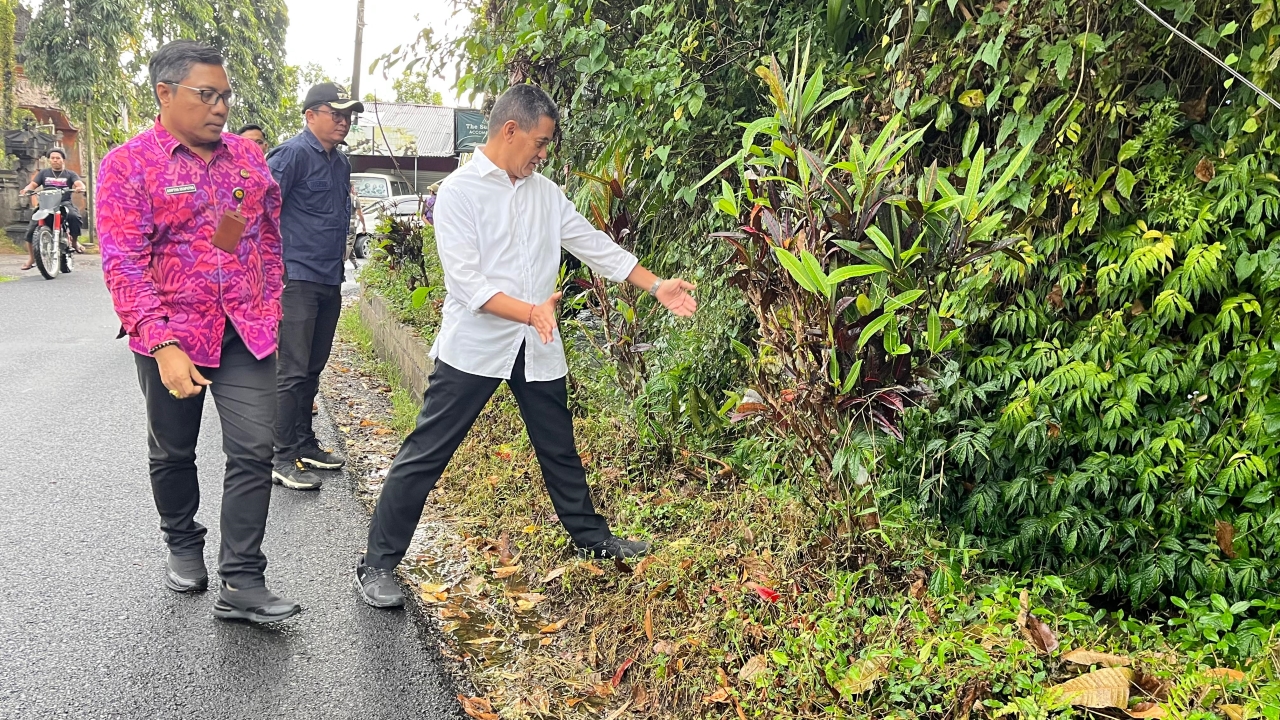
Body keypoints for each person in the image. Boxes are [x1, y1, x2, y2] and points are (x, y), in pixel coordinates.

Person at [355, 85, 698, 608]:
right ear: (509, 130)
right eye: (539, 142)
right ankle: (377, 562)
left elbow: (592, 243)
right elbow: (467, 285)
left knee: (558, 446)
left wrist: (655, 285)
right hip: (476, 346)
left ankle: (592, 539)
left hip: (535, 344)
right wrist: (531, 310)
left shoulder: (545, 193)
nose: (543, 154)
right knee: (428, 452)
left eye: (547, 147)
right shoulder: (459, 193)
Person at [97, 39, 299, 623]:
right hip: (172, 334)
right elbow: (123, 261)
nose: (220, 108)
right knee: (173, 447)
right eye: (205, 95)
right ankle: (182, 540)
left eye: (225, 96)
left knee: (255, 448)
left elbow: (260, 234)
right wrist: (160, 343)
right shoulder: (129, 164)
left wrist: (271, 300)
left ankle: (242, 579)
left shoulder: (246, 158)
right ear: (165, 94)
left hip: (245, 330)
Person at [265, 83, 363, 491]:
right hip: (296, 278)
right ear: (309, 115)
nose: (343, 121)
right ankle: (280, 454)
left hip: (329, 277)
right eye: (334, 113)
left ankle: (304, 443)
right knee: (290, 369)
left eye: (347, 115)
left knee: (312, 366)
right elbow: (256, 213)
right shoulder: (289, 156)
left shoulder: (341, 164)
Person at [20, 148, 86, 269]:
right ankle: (31, 258)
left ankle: (75, 242)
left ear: (63, 160)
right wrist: (27, 189)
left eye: (58, 158)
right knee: (31, 229)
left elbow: (79, 184)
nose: (55, 160)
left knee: (74, 217)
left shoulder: (70, 174)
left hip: (64, 203)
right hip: (46, 204)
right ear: (49, 160)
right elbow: (33, 185)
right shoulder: (43, 173)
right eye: (53, 158)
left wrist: (80, 187)